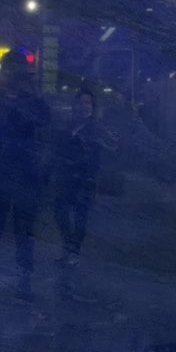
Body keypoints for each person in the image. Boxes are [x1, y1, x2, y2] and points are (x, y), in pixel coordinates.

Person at [0, 49, 50, 302]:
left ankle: (22, 285)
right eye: (12, 71)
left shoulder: (30, 98)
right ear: (4, 71)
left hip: (23, 176)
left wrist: (32, 90)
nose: (15, 76)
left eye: (18, 71)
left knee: (23, 232)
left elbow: (45, 119)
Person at [53, 90, 117, 266]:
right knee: (61, 212)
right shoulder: (69, 125)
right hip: (67, 176)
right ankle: (68, 246)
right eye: (80, 103)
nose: (83, 106)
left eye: (87, 103)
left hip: (84, 178)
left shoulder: (96, 127)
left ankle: (73, 250)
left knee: (80, 216)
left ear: (92, 106)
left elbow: (103, 153)